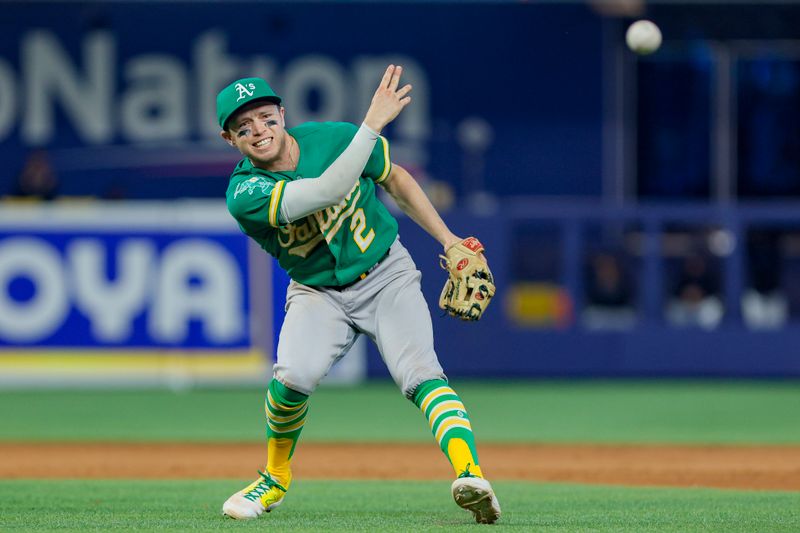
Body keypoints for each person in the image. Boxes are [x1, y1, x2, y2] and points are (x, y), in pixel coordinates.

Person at [216, 65, 501, 524]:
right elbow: (326, 190)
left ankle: (473, 477)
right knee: (292, 376)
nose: (259, 130)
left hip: (386, 273)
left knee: (421, 374)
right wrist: (371, 125)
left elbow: (396, 179)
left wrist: (448, 241)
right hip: (318, 292)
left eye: (266, 117)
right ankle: (274, 479)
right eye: (243, 127)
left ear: (283, 114)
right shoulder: (244, 192)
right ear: (231, 139)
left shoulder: (333, 138)